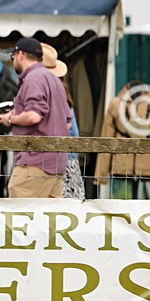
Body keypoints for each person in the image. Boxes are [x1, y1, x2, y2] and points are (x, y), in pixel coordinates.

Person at [0, 36, 71, 198]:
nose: (13, 60)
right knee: (48, 221)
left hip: (34, 163)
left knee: (19, 218)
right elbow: (67, 123)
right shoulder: (55, 81)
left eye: (13, 57)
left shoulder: (33, 79)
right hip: (57, 164)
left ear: (21, 55)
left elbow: (33, 116)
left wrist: (10, 119)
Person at [95, 82, 150, 199]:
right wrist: (101, 175)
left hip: (147, 166)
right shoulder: (116, 104)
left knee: (145, 206)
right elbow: (106, 141)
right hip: (123, 166)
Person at [52, 58, 86, 200]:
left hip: (64, 158)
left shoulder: (58, 95)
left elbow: (66, 125)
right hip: (69, 157)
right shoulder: (64, 93)